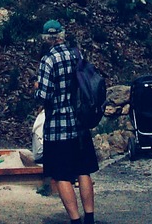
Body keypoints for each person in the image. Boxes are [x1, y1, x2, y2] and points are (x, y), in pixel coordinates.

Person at [35, 19, 97, 224]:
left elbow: (43, 96)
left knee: (61, 175)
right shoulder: (76, 54)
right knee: (83, 171)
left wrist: (36, 88)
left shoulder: (48, 60)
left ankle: (75, 219)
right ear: (62, 35)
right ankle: (89, 217)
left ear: (46, 38)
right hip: (79, 124)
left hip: (58, 127)